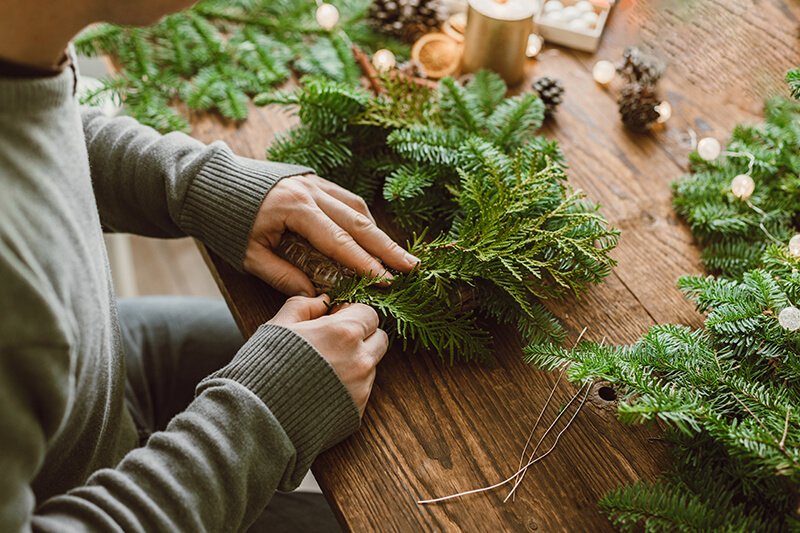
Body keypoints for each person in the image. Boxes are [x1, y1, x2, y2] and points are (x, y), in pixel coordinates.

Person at [0, 0, 420, 531]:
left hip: (95, 377)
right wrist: (264, 419)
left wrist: (195, 184)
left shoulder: (21, 46)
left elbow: (24, 119)